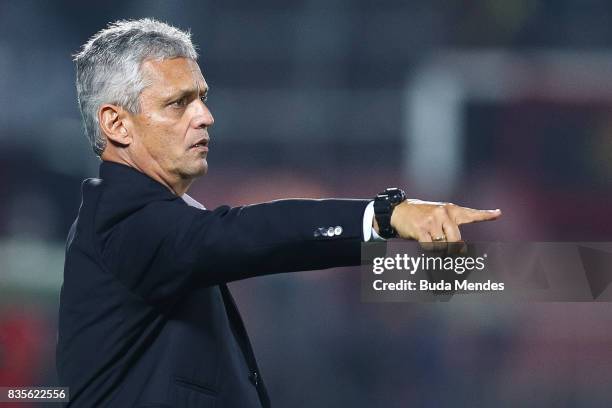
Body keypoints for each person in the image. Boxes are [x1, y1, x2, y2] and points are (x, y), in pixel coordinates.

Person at [56, 18, 501, 408]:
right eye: (179, 103)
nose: (206, 116)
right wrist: (381, 217)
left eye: (202, 97)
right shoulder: (123, 219)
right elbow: (252, 234)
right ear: (116, 124)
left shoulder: (157, 215)